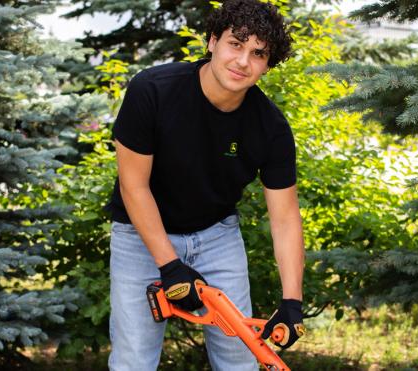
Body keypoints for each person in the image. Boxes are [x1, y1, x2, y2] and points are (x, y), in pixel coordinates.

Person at [104, 0, 305, 369]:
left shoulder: (270, 128)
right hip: (140, 235)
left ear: (268, 63)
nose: (243, 61)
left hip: (217, 237)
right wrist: (169, 265)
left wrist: (292, 302)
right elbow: (134, 187)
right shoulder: (153, 91)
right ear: (213, 41)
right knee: (134, 359)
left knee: (240, 358)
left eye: (258, 53)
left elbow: (285, 219)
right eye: (236, 44)